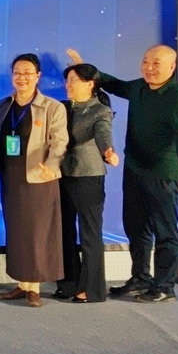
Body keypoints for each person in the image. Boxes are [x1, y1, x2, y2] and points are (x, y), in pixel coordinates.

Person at [65, 45, 178, 303]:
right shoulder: (139, 87)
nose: (149, 68)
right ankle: (140, 278)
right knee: (136, 228)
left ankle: (165, 286)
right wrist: (85, 69)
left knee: (166, 232)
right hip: (135, 169)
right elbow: (114, 85)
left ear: (172, 67)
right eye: (146, 61)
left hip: (163, 173)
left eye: (156, 63)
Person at [0, 54, 68, 308]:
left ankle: (35, 287)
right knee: (17, 232)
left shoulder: (52, 107)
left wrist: (51, 167)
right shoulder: (3, 105)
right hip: (10, 177)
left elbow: (59, 142)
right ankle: (22, 284)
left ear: (38, 76)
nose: (22, 78)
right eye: (17, 73)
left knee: (37, 233)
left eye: (27, 73)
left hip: (38, 177)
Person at [55, 63, 120, 303]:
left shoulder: (100, 110)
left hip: (88, 175)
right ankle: (69, 282)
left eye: (74, 80)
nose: (68, 84)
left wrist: (108, 151)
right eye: (67, 80)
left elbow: (103, 133)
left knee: (89, 232)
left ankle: (92, 289)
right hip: (62, 174)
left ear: (90, 84)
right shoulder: (62, 107)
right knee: (64, 230)